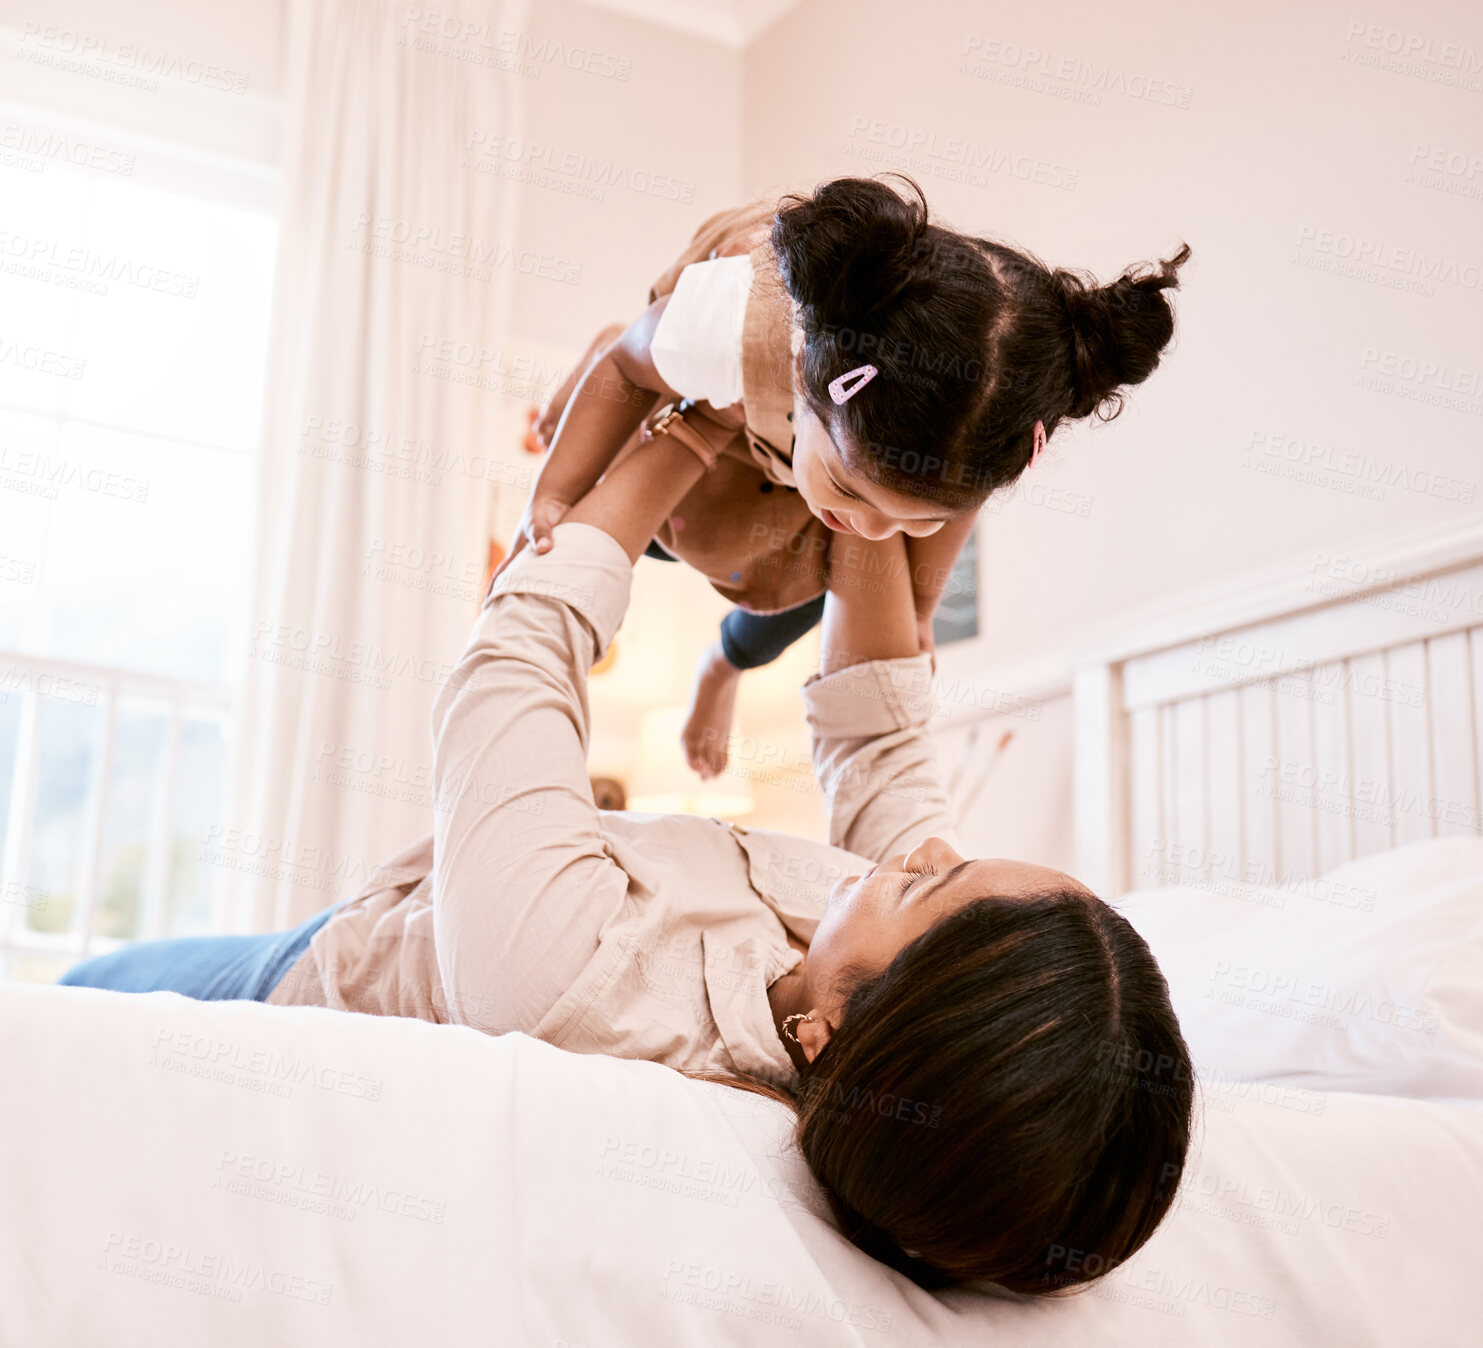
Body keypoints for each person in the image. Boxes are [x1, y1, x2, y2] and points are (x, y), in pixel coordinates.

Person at [60, 406, 1193, 1294]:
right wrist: (869, 492)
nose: (911, 856)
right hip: (386, 914)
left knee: (67, 1006)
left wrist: (686, 423)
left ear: (828, 1026)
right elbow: (879, 742)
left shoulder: (580, 988)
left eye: (927, 881)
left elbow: (513, 667)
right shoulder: (879, 992)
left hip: (312, 972)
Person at [505, 174, 1189, 779]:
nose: (870, 528)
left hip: (788, 440)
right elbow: (627, 373)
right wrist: (554, 494)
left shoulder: (968, 434)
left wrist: (919, 613)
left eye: (913, 515)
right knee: (638, 472)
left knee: (822, 573)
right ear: (811, 381)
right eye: (852, 491)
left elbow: (942, 515)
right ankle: (610, 348)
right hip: (696, 365)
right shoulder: (731, 326)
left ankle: (722, 664)